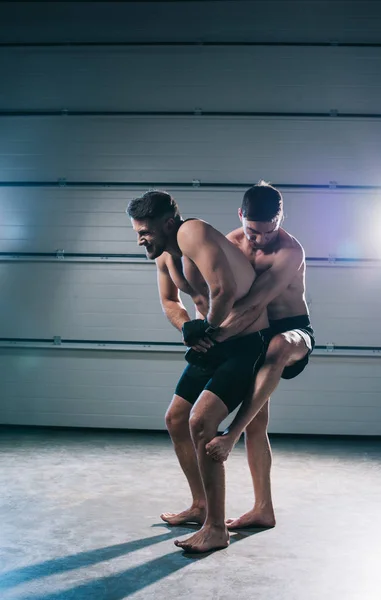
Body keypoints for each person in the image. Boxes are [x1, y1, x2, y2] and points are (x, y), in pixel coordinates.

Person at [126, 190, 272, 553]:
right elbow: (169, 301)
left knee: (200, 422)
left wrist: (205, 328)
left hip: (246, 339)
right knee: (176, 418)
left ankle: (216, 529)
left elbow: (223, 290)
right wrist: (187, 329)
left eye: (145, 230)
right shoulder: (163, 255)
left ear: (168, 222)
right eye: (136, 231)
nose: (141, 237)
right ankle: (200, 505)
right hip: (214, 338)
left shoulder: (192, 233)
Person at [205, 181, 315, 530]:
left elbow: (256, 300)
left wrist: (218, 335)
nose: (260, 239)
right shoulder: (230, 242)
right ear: (241, 216)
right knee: (259, 423)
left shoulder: (290, 251)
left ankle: (231, 434)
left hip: (294, 331)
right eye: (253, 231)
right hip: (253, 331)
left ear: (280, 219)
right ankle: (263, 509)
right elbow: (217, 291)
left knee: (278, 346)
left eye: (269, 231)